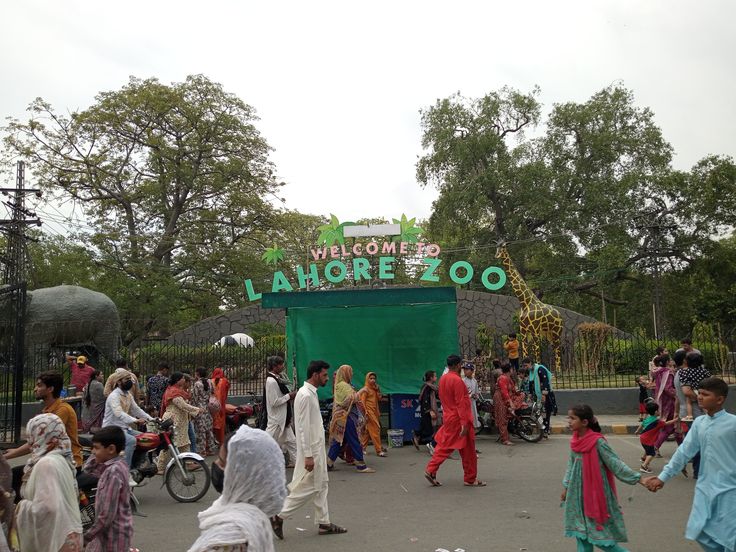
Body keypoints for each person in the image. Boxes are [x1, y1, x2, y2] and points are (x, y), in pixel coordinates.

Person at [644, 377, 736, 552]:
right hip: (705, 488)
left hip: (730, 490)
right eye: (699, 393)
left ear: (720, 399)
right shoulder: (699, 423)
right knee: (700, 531)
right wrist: (663, 477)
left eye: (705, 394)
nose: (699, 397)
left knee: (729, 537)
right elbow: (683, 452)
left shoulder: (733, 424)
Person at [272, 360, 348, 539]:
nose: (327, 379)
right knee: (311, 486)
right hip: (312, 449)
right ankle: (279, 516)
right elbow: (302, 428)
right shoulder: (305, 395)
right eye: (324, 375)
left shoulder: (309, 393)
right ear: (315, 375)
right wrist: (308, 455)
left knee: (321, 485)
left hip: (316, 447)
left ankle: (324, 522)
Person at [561, 404, 650, 552]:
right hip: (576, 495)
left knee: (600, 538)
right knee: (581, 536)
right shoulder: (575, 440)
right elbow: (571, 465)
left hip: (594, 496)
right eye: (568, 418)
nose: (569, 421)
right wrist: (566, 486)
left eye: (572, 418)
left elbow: (616, 464)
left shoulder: (598, 442)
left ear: (584, 422)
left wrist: (639, 479)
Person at [189, 425, 287, 552]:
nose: (216, 465)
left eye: (222, 462)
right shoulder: (258, 517)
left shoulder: (227, 537)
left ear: (241, 475)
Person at [14, 413, 83, 551]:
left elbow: (47, 508)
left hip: (58, 541)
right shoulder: (61, 459)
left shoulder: (46, 464)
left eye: (31, 436)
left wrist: (20, 507)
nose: (30, 442)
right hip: (70, 535)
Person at [424, 355, 485, 487]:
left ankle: (467, 477)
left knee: (448, 445)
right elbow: (461, 403)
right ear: (458, 365)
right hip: (459, 419)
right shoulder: (457, 381)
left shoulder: (443, 379)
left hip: (449, 416)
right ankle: (433, 469)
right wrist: (464, 423)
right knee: (463, 449)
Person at [4, 372, 82, 471]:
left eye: (39, 385)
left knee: (19, 474)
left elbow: (40, 440)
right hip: (51, 460)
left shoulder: (62, 410)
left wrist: (9, 455)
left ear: (50, 389)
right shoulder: (48, 410)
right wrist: (14, 451)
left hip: (67, 463)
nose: (35, 389)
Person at [83, 426, 133, 552]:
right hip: (106, 534)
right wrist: (96, 453)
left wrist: (86, 537)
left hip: (115, 536)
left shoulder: (114, 472)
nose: (93, 452)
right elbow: (88, 469)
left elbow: (106, 515)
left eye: (96, 448)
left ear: (111, 449)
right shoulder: (111, 466)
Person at [326, 365, 375, 473]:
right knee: (354, 440)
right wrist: (361, 391)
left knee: (339, 441)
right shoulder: (344, 386)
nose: (352, 374)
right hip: (347, 417)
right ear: (345, 373)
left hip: (341, 417)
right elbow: (351, 399)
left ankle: (328, 464)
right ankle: (361, 466)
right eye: (350, 372)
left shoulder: (340, 385)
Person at [102, 368, 152, 469]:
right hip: (112, 429)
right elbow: (119, 413)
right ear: (119, 382)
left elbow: (136, 410)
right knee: (131, 441)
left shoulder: (128, 395)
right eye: (126, 379)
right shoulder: (113, 396)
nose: (129, 381)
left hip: (124, 428)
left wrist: (152, 419)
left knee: (146, 439)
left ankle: (138, 465)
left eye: (130, 379)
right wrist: (135, 420)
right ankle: (126, 470)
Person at [157, 372, 202, 474]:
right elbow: (183, 405)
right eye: (182, 378)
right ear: (178, 380)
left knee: (184, 442)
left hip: (180, 420)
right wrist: (197, 410)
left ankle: (189, 463)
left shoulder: (177, 391)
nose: (184, 380)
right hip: (173, 420)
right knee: (169, 444)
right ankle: (160, 467)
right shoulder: (173, 392)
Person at [673, 350, 704, 478]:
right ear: (685, 360)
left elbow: (677, 396)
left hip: (686, 412)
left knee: (691, 442)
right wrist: (704, 399)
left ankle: (683, 462)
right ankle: (697, 471)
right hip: (695, 412)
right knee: (697, 443)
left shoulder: (679, 374)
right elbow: (686, 391)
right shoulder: (684, 373)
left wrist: (676, 412)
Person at [263, 356, 298, 467]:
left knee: (292, 443)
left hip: (283, 418)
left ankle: (298, 465)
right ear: (274, 366)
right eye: (281, 364)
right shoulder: (271, 381)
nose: (283, 366)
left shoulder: (278, 378)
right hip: (277, 420)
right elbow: (274, 402)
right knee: (268, 444)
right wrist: (289, 396)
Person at [635, 401, 681, 474]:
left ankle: (644, 458)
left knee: (648, 448)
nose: (660, 411)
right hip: (648, 440)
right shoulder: (658, 422)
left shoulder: (647, 418)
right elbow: (667, 423)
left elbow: (641, 424)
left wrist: (637, 431)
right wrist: (675, 420)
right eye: (659, 410)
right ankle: (644, 466)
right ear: (656, 412)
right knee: (652, 453)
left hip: (642, 438)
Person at [650, 354, 683, 455]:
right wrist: (678, 394)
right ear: (667, 362)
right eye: (670, 360)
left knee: (671, 426)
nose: (672, 361)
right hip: (670, 402)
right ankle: (656, 446)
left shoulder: (657, 372)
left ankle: (682, 449)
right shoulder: (668, 373)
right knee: (672, 426)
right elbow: (668, 388)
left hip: (661, 401)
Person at [523, 356, 556, 436]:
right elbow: (531, 383)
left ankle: (546, 430)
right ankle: (543, 429)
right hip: (537, 396)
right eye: (524, 366)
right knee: (538, 413)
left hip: (545, 395)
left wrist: (544, 394)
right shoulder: (531, 372)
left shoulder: (540, 369)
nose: (525, 367)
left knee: (545, 413)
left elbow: (545, 381)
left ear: (530, 363)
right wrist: (530, 394)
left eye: (526, 365)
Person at [358, 371, 386, 457]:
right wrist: (365, 412)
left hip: (374, 412)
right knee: (376, 429)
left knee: (367, 431)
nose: (373, 380)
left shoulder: (374, 389)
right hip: (368, 412)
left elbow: (379, 398)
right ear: (367, 379)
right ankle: (379, 450)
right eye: (371, 378)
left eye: (374, 378)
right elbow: (362, 402)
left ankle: (362, 448)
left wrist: (378, 390)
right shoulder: (365, 390)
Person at [192, 367, 218, 456]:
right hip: (208, 408)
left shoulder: (197, 384)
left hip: (200, 408)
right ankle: (211, 449)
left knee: (201, 431)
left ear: (197, 373)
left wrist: (193, 410)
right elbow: (213, 392)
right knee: (209, 430)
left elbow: (195, 398)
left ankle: (202, 451)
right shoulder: (210, 382)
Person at [413, 370, 440, 453]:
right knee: (429, 429)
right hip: (427, 410)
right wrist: (430, 411)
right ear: (431, 378)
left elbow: (437, 396)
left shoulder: (432, 387)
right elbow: (425, 400)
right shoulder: (427, 387)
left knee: (426, 427)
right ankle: (430, 445)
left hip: (428, 410)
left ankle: (417, 436)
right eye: (435, 376)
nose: (436, 377)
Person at [679, 352, 711, 422]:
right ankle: (709, 416)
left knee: (688, 402)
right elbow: (709, 378)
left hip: (692, 389)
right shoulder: (704, 370)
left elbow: (686, 388)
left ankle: (690, 415)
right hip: (702, 390)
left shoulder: (685, 371)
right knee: (704, 405)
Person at [493, 363, 516, 446]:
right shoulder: (502, 378)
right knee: (502, 418)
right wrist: (510, 402)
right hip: (500, 398)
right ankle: (505, 439)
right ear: (509, 370)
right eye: (512, 369)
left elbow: (512, 389)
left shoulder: (508, 378)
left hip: (506, 397)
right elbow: (504, 392)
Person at [212, 367, 230, 445]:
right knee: (221, 426)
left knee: (212, 424)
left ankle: (211, 443)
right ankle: (221, 442)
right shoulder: (225, 381)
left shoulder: (210, 381)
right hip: (220, 407)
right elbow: (226, 392)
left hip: (211, 407)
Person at [462, 363, 481, 435]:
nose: (465, 371)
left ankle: (470, 434)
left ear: (472, 371)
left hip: (472, 404)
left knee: (472, 419)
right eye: (465, 369)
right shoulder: (463, 381)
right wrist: (469, 395)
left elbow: (477, 393)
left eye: (467, 369)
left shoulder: (474, 381)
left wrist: (475, 396)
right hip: (465, 404)